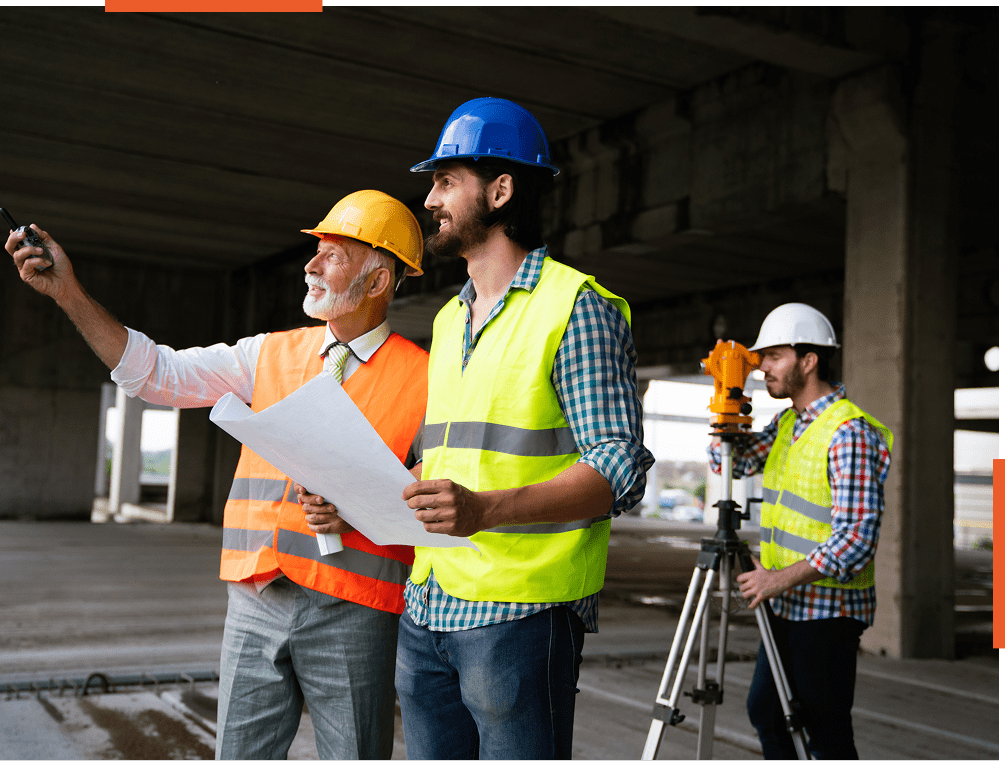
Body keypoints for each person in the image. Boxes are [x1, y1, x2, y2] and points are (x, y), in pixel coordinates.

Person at [6, 190, 429, 760]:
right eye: (316, 251)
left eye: (332, 254)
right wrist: (67, 292)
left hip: (354, 608)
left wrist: (359, 504)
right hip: (256, 596)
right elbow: (155, 374)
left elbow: (441, 495)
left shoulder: (427, 379)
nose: (310, 264)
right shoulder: (268, 356)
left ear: (377, 282)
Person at [394, 97, 654, 760]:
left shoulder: (576, 307)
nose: (429, 200)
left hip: (518, 615)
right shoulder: (448, 320)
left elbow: (617, 467)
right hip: (428, 606)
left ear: (501, 189)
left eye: (446, 181)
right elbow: (456, 458)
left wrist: (482, 509)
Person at [708, 303, 892, 760]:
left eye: (773, 356)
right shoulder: (788, 422)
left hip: (826, 611)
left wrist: (775, 578)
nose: (762, 367)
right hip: (786, 606)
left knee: (825, 732)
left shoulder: (847, 432)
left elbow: (857, 538)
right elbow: (733, 460)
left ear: (809, 360)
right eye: (760, 357)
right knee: (768, 714)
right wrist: (725, 403)